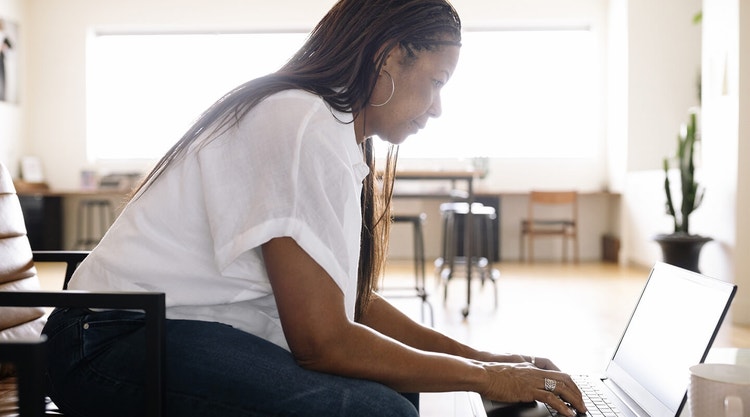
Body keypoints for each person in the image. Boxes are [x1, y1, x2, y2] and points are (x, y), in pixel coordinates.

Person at [42, 1, 587, 416]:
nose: (439, 108)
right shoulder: (302, 122)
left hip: (157, 331)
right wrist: (481, 377)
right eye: (437, 83)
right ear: (390, 55)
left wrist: (489, 363)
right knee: (386, 411)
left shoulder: (330, 129)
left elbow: (355, 305)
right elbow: (322, 340)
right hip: (107, 344)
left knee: (405, 394)